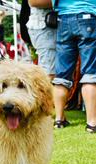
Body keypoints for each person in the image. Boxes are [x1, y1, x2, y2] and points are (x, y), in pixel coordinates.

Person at [52, 0, 96, 133]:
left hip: (63, 18)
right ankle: (92, 123)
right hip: (87, 15)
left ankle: (59, 119)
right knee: (90, 72)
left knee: (62, 74)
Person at [26, 0, 56, 80]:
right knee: (49, 74)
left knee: (50, 73)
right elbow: (34, 2)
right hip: (45, 28)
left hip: (49, 27)